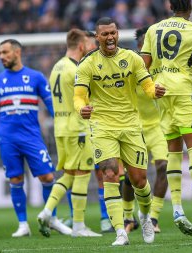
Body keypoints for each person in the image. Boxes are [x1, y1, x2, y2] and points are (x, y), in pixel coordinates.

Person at [73, 17, 166, 246]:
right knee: (110, 174)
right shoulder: (87, 64)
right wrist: (81, 108)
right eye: (105, 34)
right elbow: (78, 96)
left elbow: (146, 85)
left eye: (113, 33)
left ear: (118, 33)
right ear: (97, 37)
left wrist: (155, 91)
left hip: (131, 125)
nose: (110, 37)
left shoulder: (132, 58)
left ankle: (144, 216)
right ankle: (119, 231)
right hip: (102, 126)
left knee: (139, 180)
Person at [0, 39, 71, 237]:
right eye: (0, 53)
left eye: (5, 52)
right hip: (7, 139)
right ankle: (23, 225)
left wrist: (62, 127)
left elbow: (51, 106)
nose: (2, 56)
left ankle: (52, 218)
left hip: (32, 137)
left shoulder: (36, 77)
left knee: (48, 176)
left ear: (17, 52)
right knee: (15, 179)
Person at [141, 0, 192, 235]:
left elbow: (142, 67)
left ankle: (177, 209)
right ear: (190, 8)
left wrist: (151, 89)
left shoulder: (153, 30)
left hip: (162, 95)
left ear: (170, 7)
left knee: (174, 154)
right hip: (185, 94)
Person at [36, 29, 102, 237]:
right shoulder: (76, 70)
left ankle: (47, 212)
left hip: (61, 128)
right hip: (78, 128)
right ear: (81, 45)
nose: (91, 48)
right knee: (83, 173)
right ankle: (79, 226)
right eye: (88, 44)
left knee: (69, 174)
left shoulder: (57, 66)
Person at [122, 26, 168, 234]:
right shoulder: (131, 66)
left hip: (156, 127)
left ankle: (154, 218)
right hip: (135, 128)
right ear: (141, 45)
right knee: (132, 177)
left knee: (163, 167)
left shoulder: (161, 66)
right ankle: (128, 217)